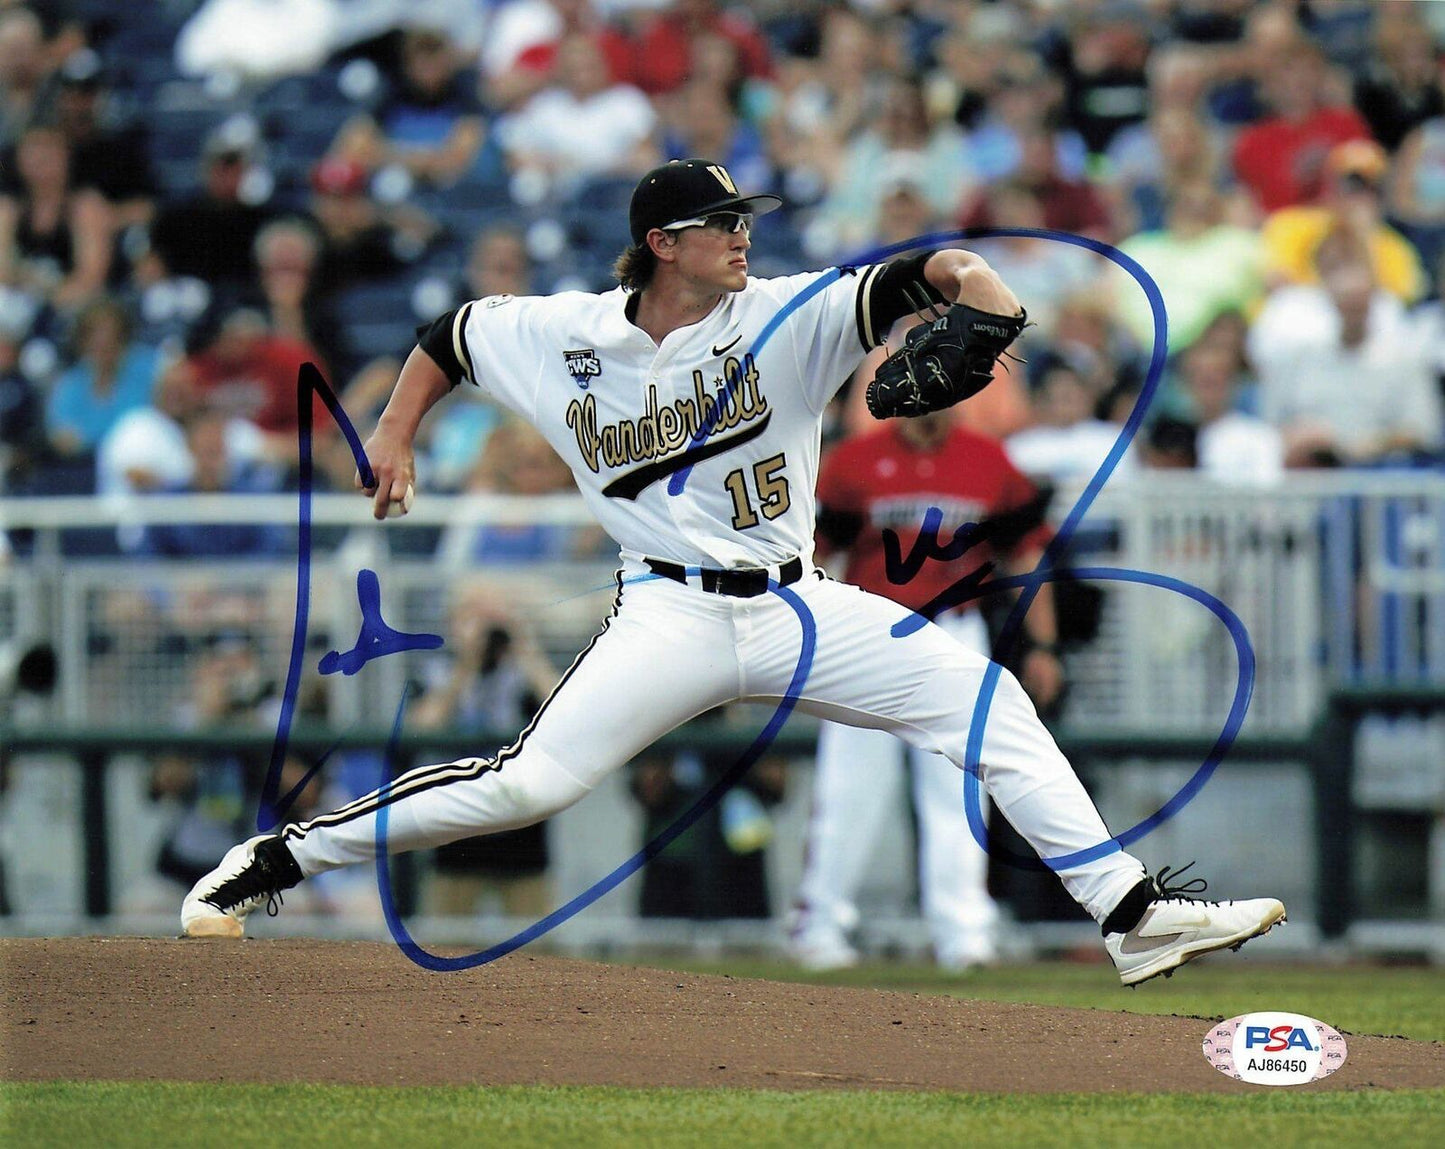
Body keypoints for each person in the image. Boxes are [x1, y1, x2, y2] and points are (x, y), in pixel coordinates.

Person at [181, 158, 1285, 986]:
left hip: (797, 604)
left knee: (983, 704)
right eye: (720, 225)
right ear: (662, 242)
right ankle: (282, 856)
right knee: (528, 784)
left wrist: (979, 284)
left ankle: (1128, 915)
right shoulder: (563, 333)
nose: (740, 238)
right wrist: (395, 428)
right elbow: (450, 333)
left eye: (743, 221)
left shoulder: (783, 317)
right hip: (665, 612)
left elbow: (921, 272)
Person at [790, 404, 1062, 971]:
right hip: (871, 637)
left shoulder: (986, 459)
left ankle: (963, 933)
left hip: (956, 632)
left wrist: (1043, 644)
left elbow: (1024, 551)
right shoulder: (855, 460)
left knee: (960, 792)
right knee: (848, 792)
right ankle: (817, 925)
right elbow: (815, 553)